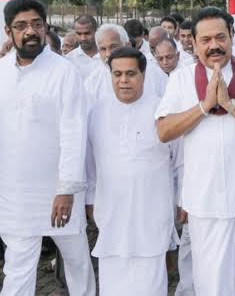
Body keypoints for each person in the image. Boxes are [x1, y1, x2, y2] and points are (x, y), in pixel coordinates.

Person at [155, 7, 235, 295]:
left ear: (232, 36)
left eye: (220, 37)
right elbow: (164, 131)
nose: (214, 45)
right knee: (212, 282)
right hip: (205, 198)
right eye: (206, 40)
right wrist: (204, 105)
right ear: (194, 42)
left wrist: (230, 105)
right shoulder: (181, 78)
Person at [0, 0, 96, 296]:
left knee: (76, 260)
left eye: (36, 24)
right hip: (14, 190)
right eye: (21, 26)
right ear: (9, 32)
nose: (30, 31)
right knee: (18, 264)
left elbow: (75, 132)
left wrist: (67, 188)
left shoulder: (64, 72)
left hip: (58, 188)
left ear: (45, 27)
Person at [86, 47, 177, 294]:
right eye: (117, 74)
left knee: (150, 285)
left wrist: (180, 202)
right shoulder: (96, 112)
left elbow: (179, 162)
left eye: (130, 74)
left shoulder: (163, 111)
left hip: (151, 216)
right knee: (113, 285)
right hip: (111, 215)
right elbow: (91, 165)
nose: (123, 80)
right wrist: (90, 199)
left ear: (143, 75)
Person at [84, 24, 167, 103]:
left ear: (128, 45)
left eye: (113, 47)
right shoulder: (93, 81)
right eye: (103, 49)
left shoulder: (155, 74)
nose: (108, 54)